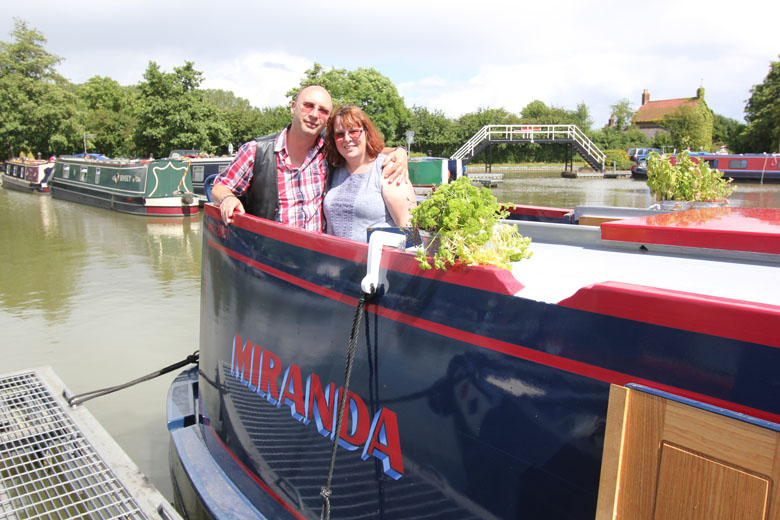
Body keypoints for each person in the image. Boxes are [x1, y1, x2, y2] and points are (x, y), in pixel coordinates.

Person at [211, 85, 408, 229]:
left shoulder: (390, 173)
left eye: (323, 111)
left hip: (371, 273)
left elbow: (409, 226)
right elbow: (220, 186)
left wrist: (400, 152)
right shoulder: (257, 151)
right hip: (273, 262)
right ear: (293, 107)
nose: (314, 114)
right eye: (308, 106)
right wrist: (227, 198)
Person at [322, 105, 416, 242]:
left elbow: (410, 229)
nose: (347, 138)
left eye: (354, 132)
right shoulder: (334, 169)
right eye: (340, 134)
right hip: (336, 260)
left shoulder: (389, 169)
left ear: (367, 133)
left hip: (377, 261)